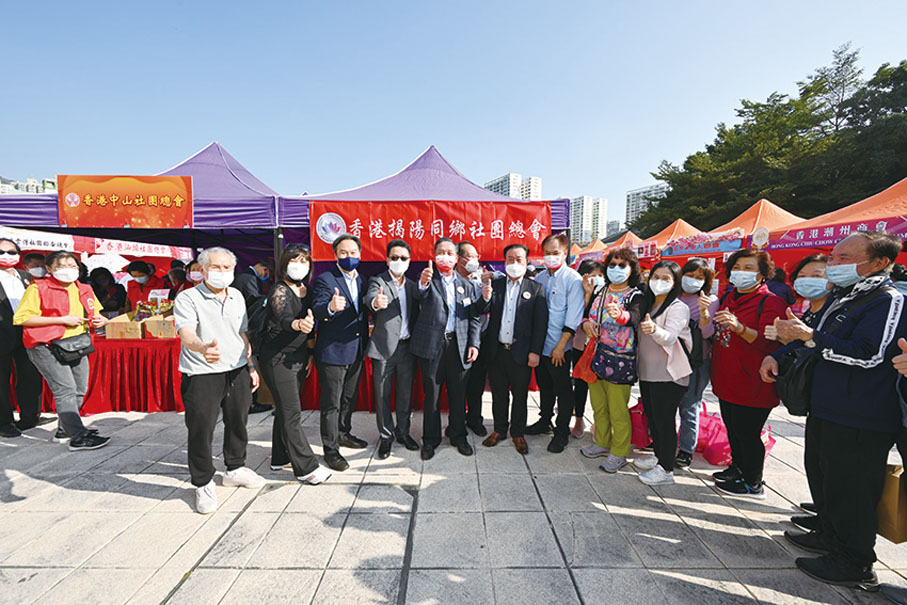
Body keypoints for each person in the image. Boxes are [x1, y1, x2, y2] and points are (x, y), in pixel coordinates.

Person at [761, 231, 906, 590]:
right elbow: (811, 336)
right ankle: (828, 534)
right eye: (834, 257)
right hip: (827, 405)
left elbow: (870, 354)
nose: (834, 265)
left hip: (861, 412)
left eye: (845, 258)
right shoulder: (844, 296)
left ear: (879, 263)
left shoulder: (887, 300)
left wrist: (808, 337)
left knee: (853, 488)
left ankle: (855, 561)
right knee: (824, 474)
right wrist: (779, 352)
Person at [173, 246, 265, 514]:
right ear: (202, 270)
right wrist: (202, 347)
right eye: (216, 267)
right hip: (202, 371)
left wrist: (250, 366)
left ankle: (235, 467)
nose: (222, 273)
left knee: (239, 420)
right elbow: (186, 333)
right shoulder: (188, 298)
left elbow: (243, 333)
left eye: (227, 268)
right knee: (201, 427)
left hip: (236, 368)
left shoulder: (236, 295)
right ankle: (202, 481)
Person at [710, 248, 787, 499]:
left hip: (753, 381)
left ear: (763, 275)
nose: (741, 272)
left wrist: (739, 327)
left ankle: (753, 482)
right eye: (738, 267)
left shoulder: (771, 302)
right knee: (733, 429)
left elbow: (769, 343)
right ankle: (737, 469)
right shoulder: (730, 297)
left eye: (749, 268)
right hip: (727, 378)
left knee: (748, 433)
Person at [13, 250, 110, 449]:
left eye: (72, 266)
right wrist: (61, 320)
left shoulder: (83, 288)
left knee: (80, 389)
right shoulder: (38, 288)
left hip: (76, 343)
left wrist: (102, 320)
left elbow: (95, 313)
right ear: (49, 269)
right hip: (45, 345)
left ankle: (65, 429)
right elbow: (22, 318)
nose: (68, 270)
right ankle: (78, 437)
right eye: (61, 266)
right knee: (65, 389)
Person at [259, 246, 331, 485]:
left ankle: (279, 457)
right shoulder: (279, 290)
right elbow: (283, 318)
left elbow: (312, 324)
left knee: (284, 409)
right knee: (292, 412)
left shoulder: (306, 290)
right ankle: (306, 467)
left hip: (299, 357)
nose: (299, 265)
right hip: (277, 358)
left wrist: (310, 352)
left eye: (304, 261)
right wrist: (298, 325)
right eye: (295, 260)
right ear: (284, 264)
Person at [411, 237, 487, 460]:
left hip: (459, 345)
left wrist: (475, 343)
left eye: (449, 253)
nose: (445, 256)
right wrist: (423, 284)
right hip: (433, 347)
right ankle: (431, 439)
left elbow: (474, 318)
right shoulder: (427, 280)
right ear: (434, 256)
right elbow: (419, 294)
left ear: (457, 259)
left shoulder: (467, 285)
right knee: (432, 395)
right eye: (440, 252)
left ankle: (458, 434)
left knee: (458, 393)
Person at [579, 248, 645, 472]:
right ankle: (602, 442)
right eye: (612, 265)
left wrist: (621, 315)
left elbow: (635, 317)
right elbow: (588, 314)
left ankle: (619, 452)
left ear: (632, 269)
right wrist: (587, 324)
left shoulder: (636, 294)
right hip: (597, 356)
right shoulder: (601, 290)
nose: (616, 269)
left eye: (622, 265)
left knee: (618, 409)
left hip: (621, 360)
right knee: (598, 406)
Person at [479, 244, 547, 455]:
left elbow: (540, 323)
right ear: (504, 262)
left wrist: (535, 351)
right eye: (510, 259)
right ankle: (499, 430)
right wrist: (484, 295)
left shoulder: (535, 289)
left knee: (520, 395)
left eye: (519, 260)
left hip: (522, 353)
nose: (514, 264)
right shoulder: (496, 285)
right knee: (499, 394)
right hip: (497, 351)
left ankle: (518, 432)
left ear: (527, 263)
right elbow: (482, 310)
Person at [312, 234, 369, 472]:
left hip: (356, 349)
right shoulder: (326, 279)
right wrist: (330, 308)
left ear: (359, 254)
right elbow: (317, 308)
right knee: (332, 403)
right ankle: (331, 449)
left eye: (353, 252)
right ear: (335, 255)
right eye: (344, 253)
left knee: (348, 398)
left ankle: (344, 433)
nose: (349, 257)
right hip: (333, 351)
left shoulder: (363, 280)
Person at [633, 260, 693, 486]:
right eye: (655, 277)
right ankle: (660, 458)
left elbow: (669, 337)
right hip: (648, 372)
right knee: (654, 419)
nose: (659, 282)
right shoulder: (649, 304)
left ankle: (667, 469)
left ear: (675, 282)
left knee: (665, 421)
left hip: (669, 374)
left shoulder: (678, 307)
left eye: (666, 278)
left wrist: (654, 330)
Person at [525, 233, 584, 454]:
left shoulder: (573, 279)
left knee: (563, 390)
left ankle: (562, 433)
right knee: (545, 387)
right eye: (547, 253)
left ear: (565, 252)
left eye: (555, 253)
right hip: (542, 346)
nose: (550, 257)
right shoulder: (540, 279)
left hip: (561, 347)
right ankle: (544, 421)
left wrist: (561, 345)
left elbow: (574, 316)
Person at [364, 239, 421, 459]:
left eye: (403, 258)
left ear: (409, 261)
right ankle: (386, 436)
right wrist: (376, 303)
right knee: (383, 395)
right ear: (387, 259)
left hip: (407, 349)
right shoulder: (378, 281)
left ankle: (403, 432)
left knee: (405, 395)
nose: (398, 261)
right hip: (384, 349)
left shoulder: (413, 285)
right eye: (394, 257)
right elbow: (369, 299)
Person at [0, 238, 53, 438]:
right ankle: (4, 421)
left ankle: (30, 417)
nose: (7, 256)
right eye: (2, 252)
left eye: (12, 252)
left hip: (27, 333)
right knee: (1, 380)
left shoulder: (26, 277)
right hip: (2, 333)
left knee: (30, 376)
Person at [674, 258, 719, 468]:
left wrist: (703, 313)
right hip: (668, 358)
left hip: (695, 361)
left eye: (699, 277)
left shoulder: (710, 300)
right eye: (689, 275)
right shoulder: (672, 296)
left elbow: (709, 333)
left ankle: (685, 450)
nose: (692, 280)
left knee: (689, 406)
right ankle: (660, 440)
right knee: (666, 404)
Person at [457, 240, 492, 436]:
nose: (475, 260)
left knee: (477, 382)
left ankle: (475, 419)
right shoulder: (451, 280)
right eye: (470, 256)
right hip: (460, 338)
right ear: (459, 259)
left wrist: (490, 278)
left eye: (476, 256)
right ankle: (458, 418)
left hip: (481, 338)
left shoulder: (481, 278)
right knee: (459, 382)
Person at [571, 260, 605, 438]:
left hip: (603, 347)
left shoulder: (609, 293)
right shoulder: (577, 291)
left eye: (600, 275)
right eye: (593, 275)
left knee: (600, 386)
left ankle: (599, 423)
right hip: (581, 345)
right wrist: (586, 296)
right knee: (581, 384)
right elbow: (577, 317)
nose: (598, 279)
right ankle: (578, 418)